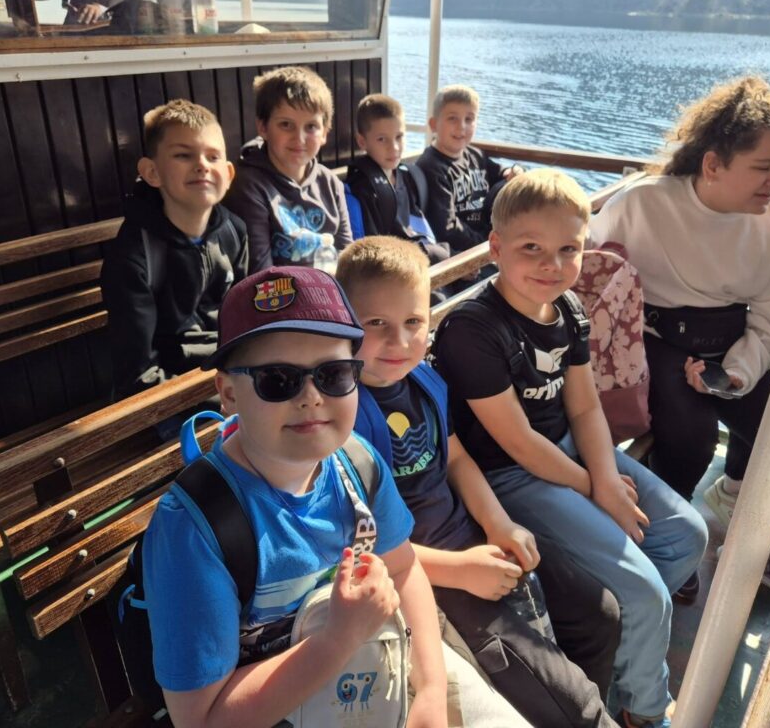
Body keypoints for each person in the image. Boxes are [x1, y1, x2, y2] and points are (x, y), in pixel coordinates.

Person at [142, 264, 531, 728]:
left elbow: (403, 568)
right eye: (278, 380)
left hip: (381, 667)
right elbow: (201, 719)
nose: (311, 397)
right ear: (228, 393)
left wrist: (429, 688)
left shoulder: (357, 461)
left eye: (333, 374)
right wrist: (336, 640)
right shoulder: (196, 527)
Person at [432, 169, 708, 728]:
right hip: (510, 474)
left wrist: (603, 477)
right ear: (496, 248)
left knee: (687, 535)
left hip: (568, 451)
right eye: (531, 248)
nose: (552, 265)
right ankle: (643, 709)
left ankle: (629, 646)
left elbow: (584, 409)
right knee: (645, 593)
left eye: (568, 250)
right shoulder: (472, 329)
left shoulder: (568, 311)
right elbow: (517, 441)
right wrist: (594, 487)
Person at [337, 235, 621, 727]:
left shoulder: (425, 381)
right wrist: (461, 570)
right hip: (423, 578)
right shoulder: (342, 416)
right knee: (576, 706)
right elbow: (357, 544)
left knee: (599, 615)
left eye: (413, 323)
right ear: (344, 322)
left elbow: (457, 459)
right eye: (376, 324)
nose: (399, 342)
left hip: (470, 539)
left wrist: (498, 523)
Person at [590, 76, 770, 600]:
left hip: (730, 346)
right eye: (763, 167)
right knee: (690, 434)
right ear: (713, 164)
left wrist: (736, 374)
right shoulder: (640, 205)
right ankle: (667, 540)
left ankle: (755, 535)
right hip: (653, 339)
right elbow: (592, 272)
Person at [100, 99, 247, 404]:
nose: (202, 165)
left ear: (229, 174)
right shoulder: (134, 257)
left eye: (213, 156)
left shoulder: (234, 231)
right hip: (170, 399)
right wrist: (227, 399)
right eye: (183, 155)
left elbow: (247, 323)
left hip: (230, 378)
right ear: (151, 172)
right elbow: (137, 378)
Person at [222, 66, 353, 271]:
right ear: (263, 127)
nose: (299, 138)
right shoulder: (248, 186)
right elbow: (261, 272)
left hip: (330, 287)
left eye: (311, 127)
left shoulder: (330, 183)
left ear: (325, 133)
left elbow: (348, 258)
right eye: (286, 124)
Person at [416, 85, 522, 253]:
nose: (461, 126)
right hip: (461, 252)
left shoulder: (475, 155)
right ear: (434, 124)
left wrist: (513, 172)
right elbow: (448, 228)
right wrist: (487, 244)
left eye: (469, 119)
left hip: (488, 241)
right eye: (452, 118)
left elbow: (502, 173)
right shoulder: (431, 167)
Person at [345, 94, 450, 265]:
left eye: (399, 137)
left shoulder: (408, 176)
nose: (393, 147)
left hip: (422, 257)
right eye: (382, 139)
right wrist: (434, 253)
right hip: (394, 269)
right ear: (362, 141)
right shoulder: (362, 189)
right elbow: (372, 252)